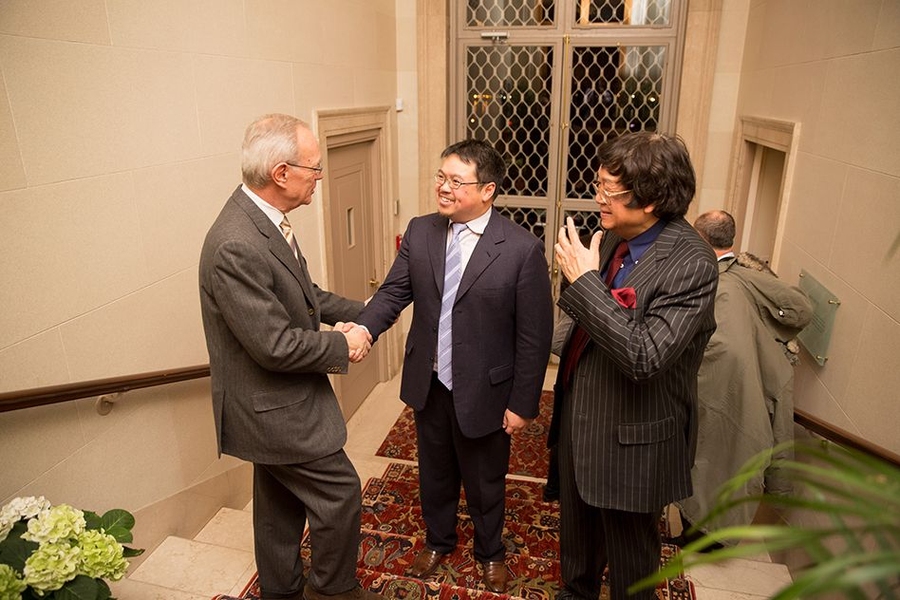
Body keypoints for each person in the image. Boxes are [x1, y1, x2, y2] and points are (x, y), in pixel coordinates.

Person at [354, 139, 553, 594]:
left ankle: (490, 553)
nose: (443, 188)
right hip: (430, 382)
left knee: (485, 481)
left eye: (455, 181)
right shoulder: (421, 231)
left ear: (488, 190)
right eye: (440, 177)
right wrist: (364, 330)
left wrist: (523, 403)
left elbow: (534, 337)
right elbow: (391, 294)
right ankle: (438, 540)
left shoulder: (521, 250)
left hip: (487, 389)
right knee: (435, 471)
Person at [198, 113, 383, 600]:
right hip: (273, 412)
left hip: (273, 408)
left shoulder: (265, 220)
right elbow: (274, 344)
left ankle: (281, 592)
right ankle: (332, 593)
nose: (320, 179)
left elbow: (305, 296)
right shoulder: (236, 243)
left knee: (279, 509)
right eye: (315, 169)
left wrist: (369, 310)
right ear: (282, 174)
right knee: (340, 495)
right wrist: (344, 343)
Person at [551, 131, 718, 600]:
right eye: (599, 183)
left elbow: (644, 355)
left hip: (634, 445)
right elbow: (587, 322)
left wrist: (583, 281)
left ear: (650, 201)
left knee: (632, 574)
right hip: (580, 424)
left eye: (609, 190)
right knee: (577, 555)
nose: (597, 197)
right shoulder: (613, 239)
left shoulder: (692, 263)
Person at [676, 210, 812, 543]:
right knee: (720, 465)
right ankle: (700, 535)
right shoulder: (748, 274)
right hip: (752, 390)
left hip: (726, 392)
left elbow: (723, 347)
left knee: (709, 463)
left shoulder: (719, 283)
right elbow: (800, 309)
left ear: (702, 240)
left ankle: (701, 538)